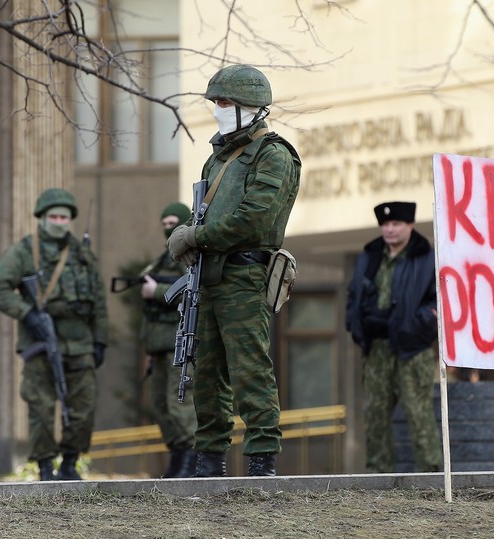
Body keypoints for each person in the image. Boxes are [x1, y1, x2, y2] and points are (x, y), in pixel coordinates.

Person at [166, 64, 302, 477]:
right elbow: (207, 214)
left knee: (249, 368)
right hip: (209, 276)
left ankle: (261, 459)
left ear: (252, 107)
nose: (218, 110)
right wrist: (193, 241)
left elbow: (253, 222)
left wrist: (194, 237)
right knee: (206, 371)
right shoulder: (217, 158)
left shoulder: (273, 154)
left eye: (225, 102)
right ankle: (209, 458)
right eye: (216, 102)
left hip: (244, 276)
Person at [0, 188, 108, 481]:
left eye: (64, 217)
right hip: (40, 341)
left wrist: (100, 339)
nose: (58, 221)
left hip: (80, 342)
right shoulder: (25, 251)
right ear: (41, 218)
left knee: (83, 407)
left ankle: (70, 463)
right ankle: (44, 466)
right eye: (53, 216)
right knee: (40, 407)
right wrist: (27, 314)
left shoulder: (82, 255)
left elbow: (99, 301)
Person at [345, 201, 443, 473]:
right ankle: (378, 476)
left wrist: (415, 325)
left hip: (412, 350)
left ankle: (431, 474)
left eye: (396, 224)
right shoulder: (369, 256)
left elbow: (440, 302)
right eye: (385, 224)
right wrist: (355, 323)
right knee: (374, 415)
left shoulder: (427, 258)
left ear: (410, 225)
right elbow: (354, 295)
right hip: (376, 349)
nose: (389, 229)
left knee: (418, 414)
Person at [140, 202, 198, 478]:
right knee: (161, 406)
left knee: (179, 404)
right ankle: (177, 455)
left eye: (173, 223)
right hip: (158, 344)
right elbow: (148, 315)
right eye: (164, 224)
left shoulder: (190, 256)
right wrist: (147, 349)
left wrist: (157, 290)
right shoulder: (162, 259)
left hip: (180, 341)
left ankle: (190, 457)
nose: (168, 229)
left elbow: (193, 290)